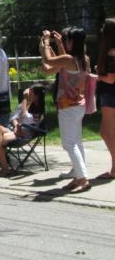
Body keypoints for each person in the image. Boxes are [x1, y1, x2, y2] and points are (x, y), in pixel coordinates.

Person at [40, 26, 92, 193]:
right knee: (76, 142)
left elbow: (49, 61)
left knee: (69, 144)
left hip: (67, 107)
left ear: (72, 42)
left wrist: (46, 43)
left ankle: (83, 179)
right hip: (79, 106)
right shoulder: (84, 59)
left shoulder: (69, 59)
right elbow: (60, 64)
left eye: (67, 39)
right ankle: (78, 177)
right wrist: (59, 44)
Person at [0, 85, 45, 175]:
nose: (28, 94)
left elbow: (27, 118)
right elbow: (13, 117)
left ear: (36, 96)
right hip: (15, 130)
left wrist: (25, 98)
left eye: (30, 92)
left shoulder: (39, 110)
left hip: (25, 133)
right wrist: (16, 125)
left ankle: (3, 167)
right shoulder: (25, 104)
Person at [95, 18, 115, 180]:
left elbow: (110, 78)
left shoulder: (111, 52)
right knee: (106, 131)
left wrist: (97, 76)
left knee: (107, 131)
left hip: (110, 92)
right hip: (109, 92)